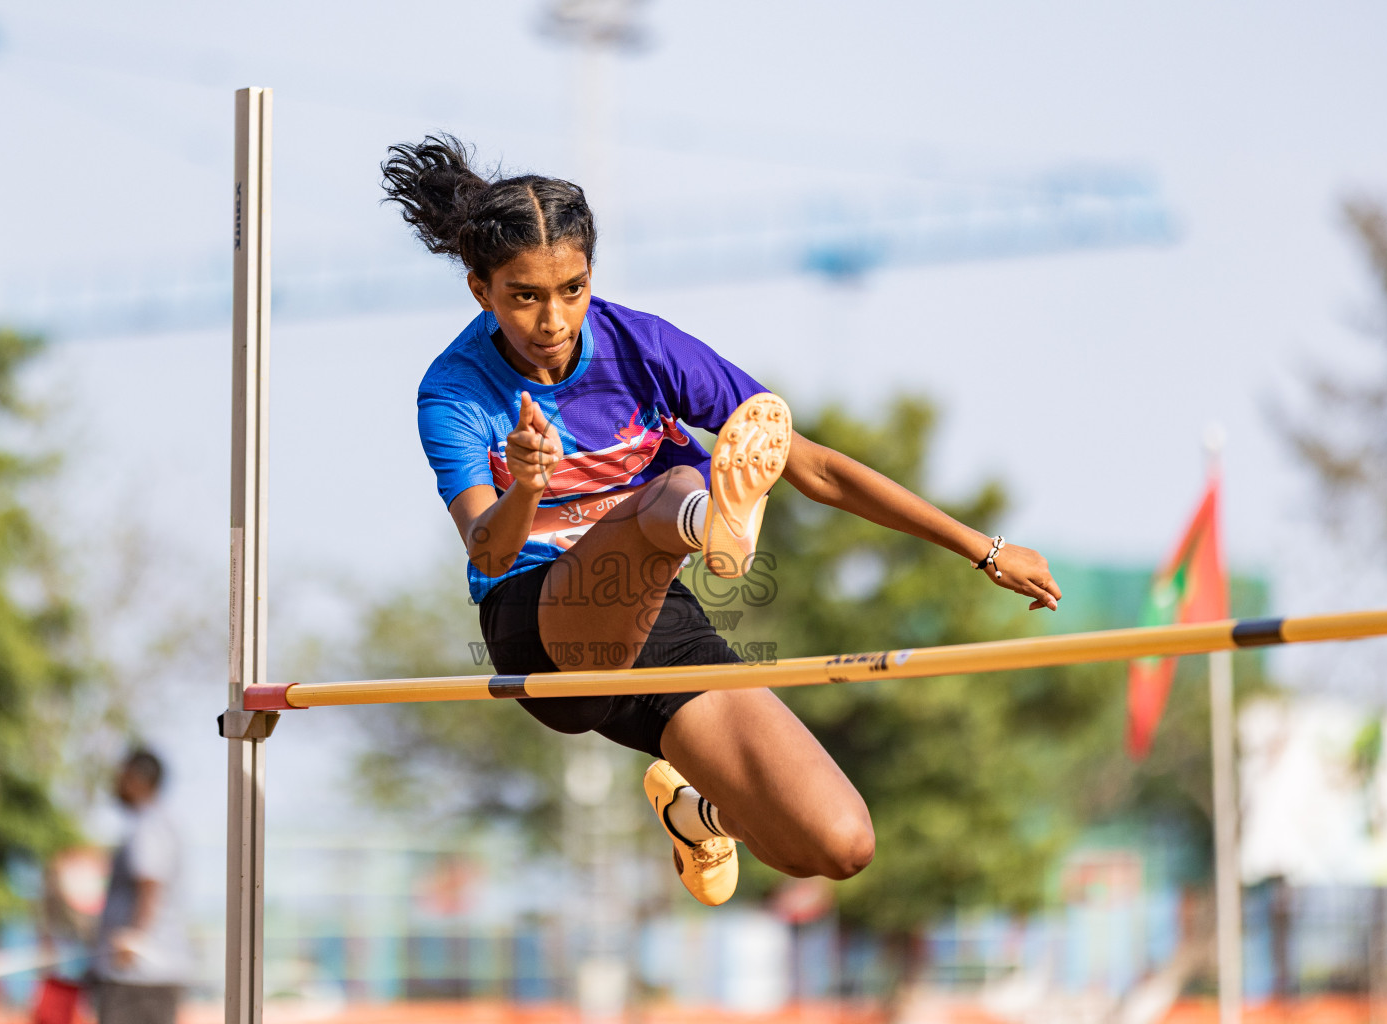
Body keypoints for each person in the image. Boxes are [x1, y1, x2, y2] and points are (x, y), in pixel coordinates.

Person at [383, 136, 1062, 907]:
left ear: (590, 275)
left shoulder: (642, 345)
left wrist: (983, 549)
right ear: (481, 291)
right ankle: (712, 518)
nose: (551, 318)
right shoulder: (455, 390)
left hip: (655, 614)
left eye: (571, 289)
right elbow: (488, 548)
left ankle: (693, 809)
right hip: (544, 624)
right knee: (670, 483)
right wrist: (527, 487)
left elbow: (814, 467)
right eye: (524, 295)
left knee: (836, 844)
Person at [93, 747, 191, 1024]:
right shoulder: (160, 823)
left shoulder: (148, 826)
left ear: (137, 778)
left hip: (139, 975)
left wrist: (134, 938)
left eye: (121, 774)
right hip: (151, 972)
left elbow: (150, 885)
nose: (116, 782)